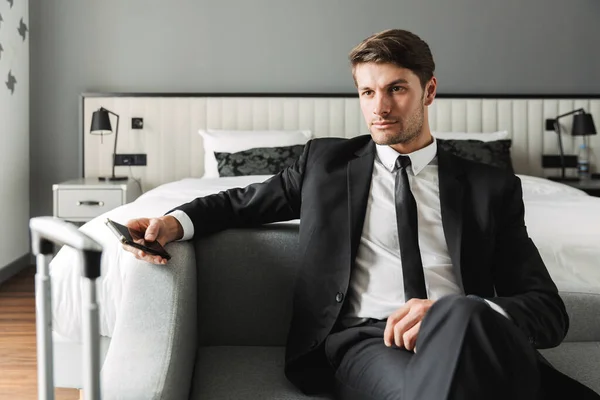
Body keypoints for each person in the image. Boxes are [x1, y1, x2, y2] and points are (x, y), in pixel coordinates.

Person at [123, 29, 599, 399]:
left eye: (396, 89)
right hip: (371, 341)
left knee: (464, 321)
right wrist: (171, 223)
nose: (380, 108)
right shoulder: (325, 165)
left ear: (429, 90)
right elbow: (239, 200)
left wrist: (459, 313)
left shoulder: (489, 187)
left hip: (473, 337)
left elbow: (547, 312)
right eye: (367, 92)